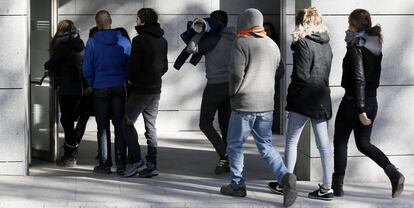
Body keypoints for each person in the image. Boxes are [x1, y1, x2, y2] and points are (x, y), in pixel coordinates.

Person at [219, 8, 297, 207]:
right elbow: (280, 70)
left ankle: (237, 185)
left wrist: (233, 93)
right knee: (266, 146)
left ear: (244, 22)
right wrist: (266, 83)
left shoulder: (241, 42)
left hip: (244, 104)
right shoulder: (272, 44)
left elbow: (236, 74)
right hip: (266, 104)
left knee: (235, 145)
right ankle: (285, 177)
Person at [332, 8, 405, 198]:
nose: (347, 28)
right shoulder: (374, 44)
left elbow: (359, 78)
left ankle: (337, 186)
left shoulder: (355, 46)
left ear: (355, 25)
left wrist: (360, 108)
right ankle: (393, 172)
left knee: (340, 142)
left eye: (349, 24)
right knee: (364, 143)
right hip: (372, 101)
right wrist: (365, 106)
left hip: (354, 102)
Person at [268, 7, 334, 201]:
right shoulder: (326, 44)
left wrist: (291, 96)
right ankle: (327, 188)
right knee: (324, 146)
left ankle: (285, 184)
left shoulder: (303, 43)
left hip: (304, 99)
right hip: (322, 97)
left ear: (300, 23)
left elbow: (301, 75)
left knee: (291, 142)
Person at [185, 10, 235, 175]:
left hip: (214, 85)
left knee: (205, 123)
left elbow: (190, 49)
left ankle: (225, 155)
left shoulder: (213, 39)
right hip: (230, 86)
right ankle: (228, 161)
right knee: (225, 124)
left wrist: (200, 32)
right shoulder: (235, 37)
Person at [121, 8, 168, 178]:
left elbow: (133, 67)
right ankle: (152, 164)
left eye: (137, 19)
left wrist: (133, 80)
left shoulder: (139, 40)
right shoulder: (162, 40)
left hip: (141, 90)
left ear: (142, 21)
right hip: (156, 89)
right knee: (151, 127)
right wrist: (154, 78)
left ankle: (135, 161)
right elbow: (164, 67)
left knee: (126, 122)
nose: (136, 22)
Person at [83, 10, 131, 174]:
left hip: (100, 87)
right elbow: (128, 65)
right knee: (119, 126)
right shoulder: (123, 41)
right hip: (119, 86)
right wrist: (124, 80)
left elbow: (87, 68)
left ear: (97, 24)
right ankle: (121, 164)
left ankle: (104, 165)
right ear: (111, 21)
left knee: (102, 127)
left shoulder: (92, 42)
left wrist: (92, 82)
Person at [44, 20, 84, 167]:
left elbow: (51, 63)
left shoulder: (62, 46)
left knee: (66, 121)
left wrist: (46, 65)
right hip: (79, 87)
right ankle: (71, 150)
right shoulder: (80, 44)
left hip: (66, 87)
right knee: (72, 120)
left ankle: (70, 155)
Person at [263, 22, 284, 134]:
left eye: (268, 30)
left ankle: (269, 128)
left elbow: (281, 69)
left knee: (272, 106)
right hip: (261, 82)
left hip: (271, 81)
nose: (266, 32)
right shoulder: (258, 44)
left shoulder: (274, 45)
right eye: (264, 30)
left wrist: (272, 80)